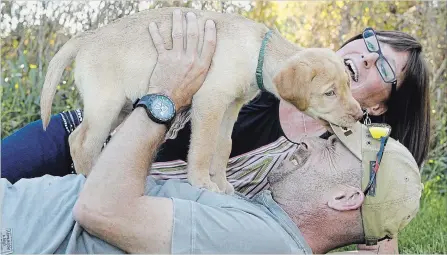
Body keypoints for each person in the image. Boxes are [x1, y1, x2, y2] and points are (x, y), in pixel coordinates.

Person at [1, 8, 429, 252]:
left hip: (120, 199)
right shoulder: (271, 68)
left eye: (386, 66)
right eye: (371, 42)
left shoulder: (339, 156)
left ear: (377, 105)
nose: (370, 57)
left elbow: (377, 214)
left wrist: (382, 222)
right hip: (87, 144)